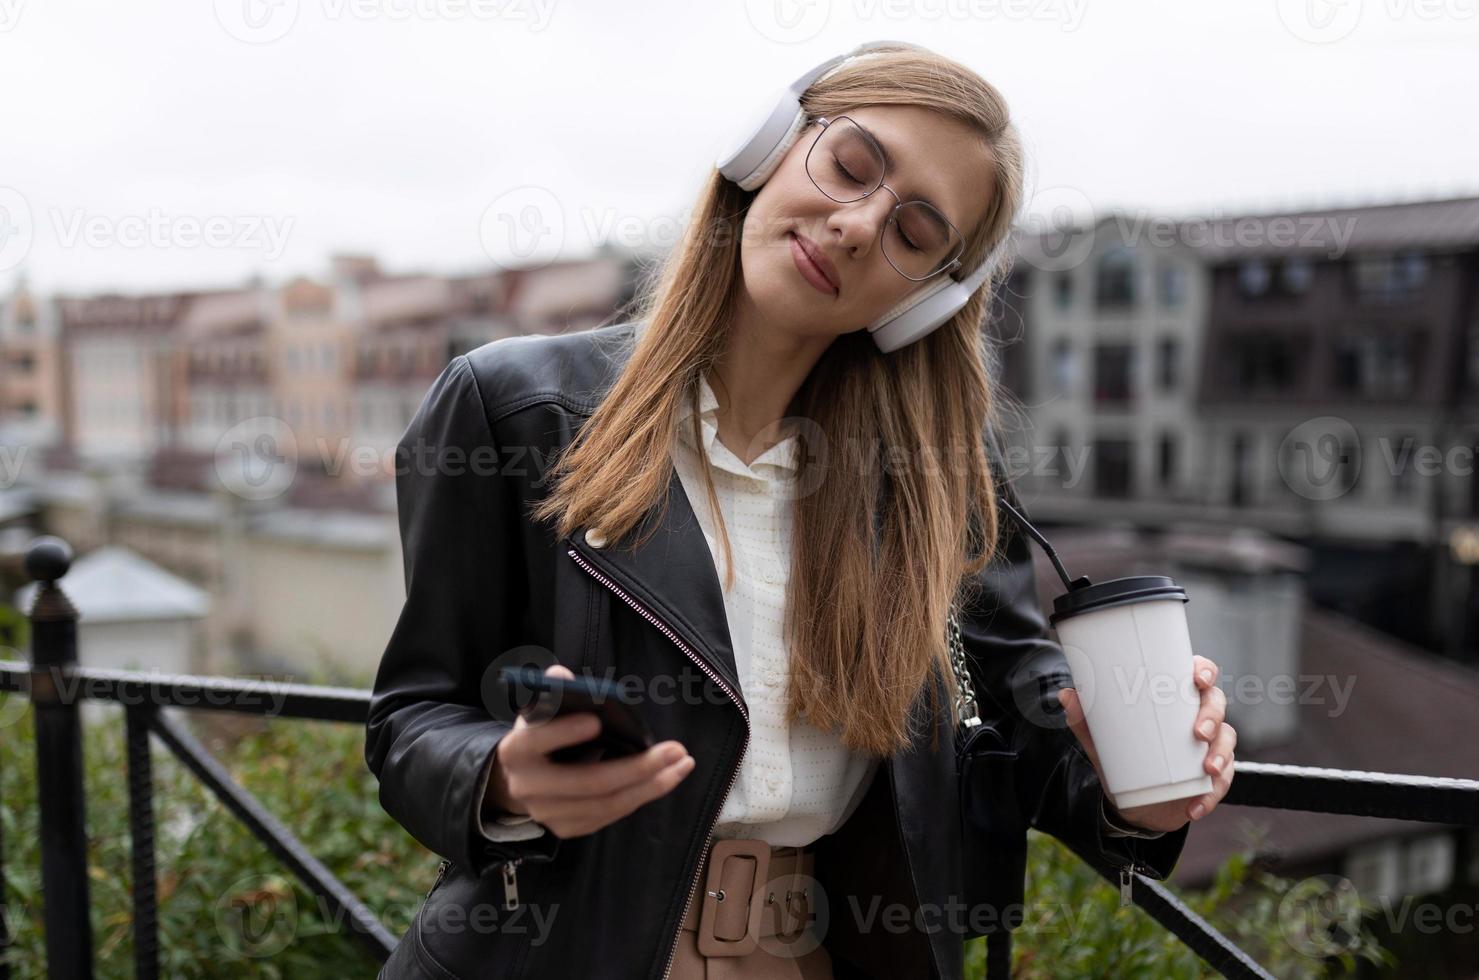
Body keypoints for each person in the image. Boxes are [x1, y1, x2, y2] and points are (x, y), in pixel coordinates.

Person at [366, 41, 1236, 980]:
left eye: (913, 234)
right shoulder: (513, 409)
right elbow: (414, 719)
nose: (859, 226)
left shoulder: (937, 477)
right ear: (769, 147)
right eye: (850, 165)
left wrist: (1139, 793)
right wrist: (499, 778)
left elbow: (1022, 731)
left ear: (926, 302)